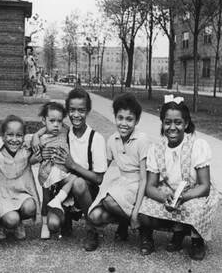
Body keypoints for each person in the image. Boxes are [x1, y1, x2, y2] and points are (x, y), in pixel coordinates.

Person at [138, 96, 220, 260]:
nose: (172, 127)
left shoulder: (197, 146)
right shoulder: (156, 149)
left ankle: (197, 240)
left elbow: (204, 186)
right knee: (143, 211)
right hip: (169, 191)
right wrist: (164, 198)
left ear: (186, 124)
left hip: (193, 192)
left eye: (178, 122)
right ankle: (177, 230)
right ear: (162, 123)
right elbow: (150, 186)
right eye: (168, 122)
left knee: (196, 208)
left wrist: (183, 197)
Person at [88, 93, 150, 249]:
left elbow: (144, 179)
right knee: (94, 216)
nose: (124, 123)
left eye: (129, 119)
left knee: (109, 201)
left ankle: (143, 229)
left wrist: (135, 212)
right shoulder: (112, 140)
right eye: (120, 118)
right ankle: (125, 222)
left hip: (138, 185)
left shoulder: (142, 140)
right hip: (121, 183)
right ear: (115, 117)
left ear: (137, 121)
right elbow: (101, 169)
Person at [52, 88, 108, 250]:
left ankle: (92, 229)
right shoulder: (64, 133)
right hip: (64, 186)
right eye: (72, 110)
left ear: (88, 111)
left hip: (87, 189)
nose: (76, 115)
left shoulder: (95, 138)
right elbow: (45, 128)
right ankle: (67, 216)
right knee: (53, 225)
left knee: (79, 183)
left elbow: (98, 178)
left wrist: (73, 165)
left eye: (81, 111)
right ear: (67, 111)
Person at [0, 115, 40, 240]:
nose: (14, 139)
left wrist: (37, 136)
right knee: (11, 219)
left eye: (19, 135)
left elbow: (45, 134)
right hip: (1, 195)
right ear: (3, 136)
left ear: (24, 136)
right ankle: (1, 222)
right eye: (10, 135)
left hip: (20, 193)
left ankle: (19, 222)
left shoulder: (26, 149)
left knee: (30, 207)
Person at [31, 102, 75, 240]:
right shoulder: (41, 139)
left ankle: (65, 219)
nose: (56, 124)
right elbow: (31, 160)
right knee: (46, 199)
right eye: (52, 121)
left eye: (59, 121)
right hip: (47, 174)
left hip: (63, 173)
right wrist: (36, 137)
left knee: (72, 184)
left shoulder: (66, 131)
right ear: (44, 121)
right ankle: (44, 224)